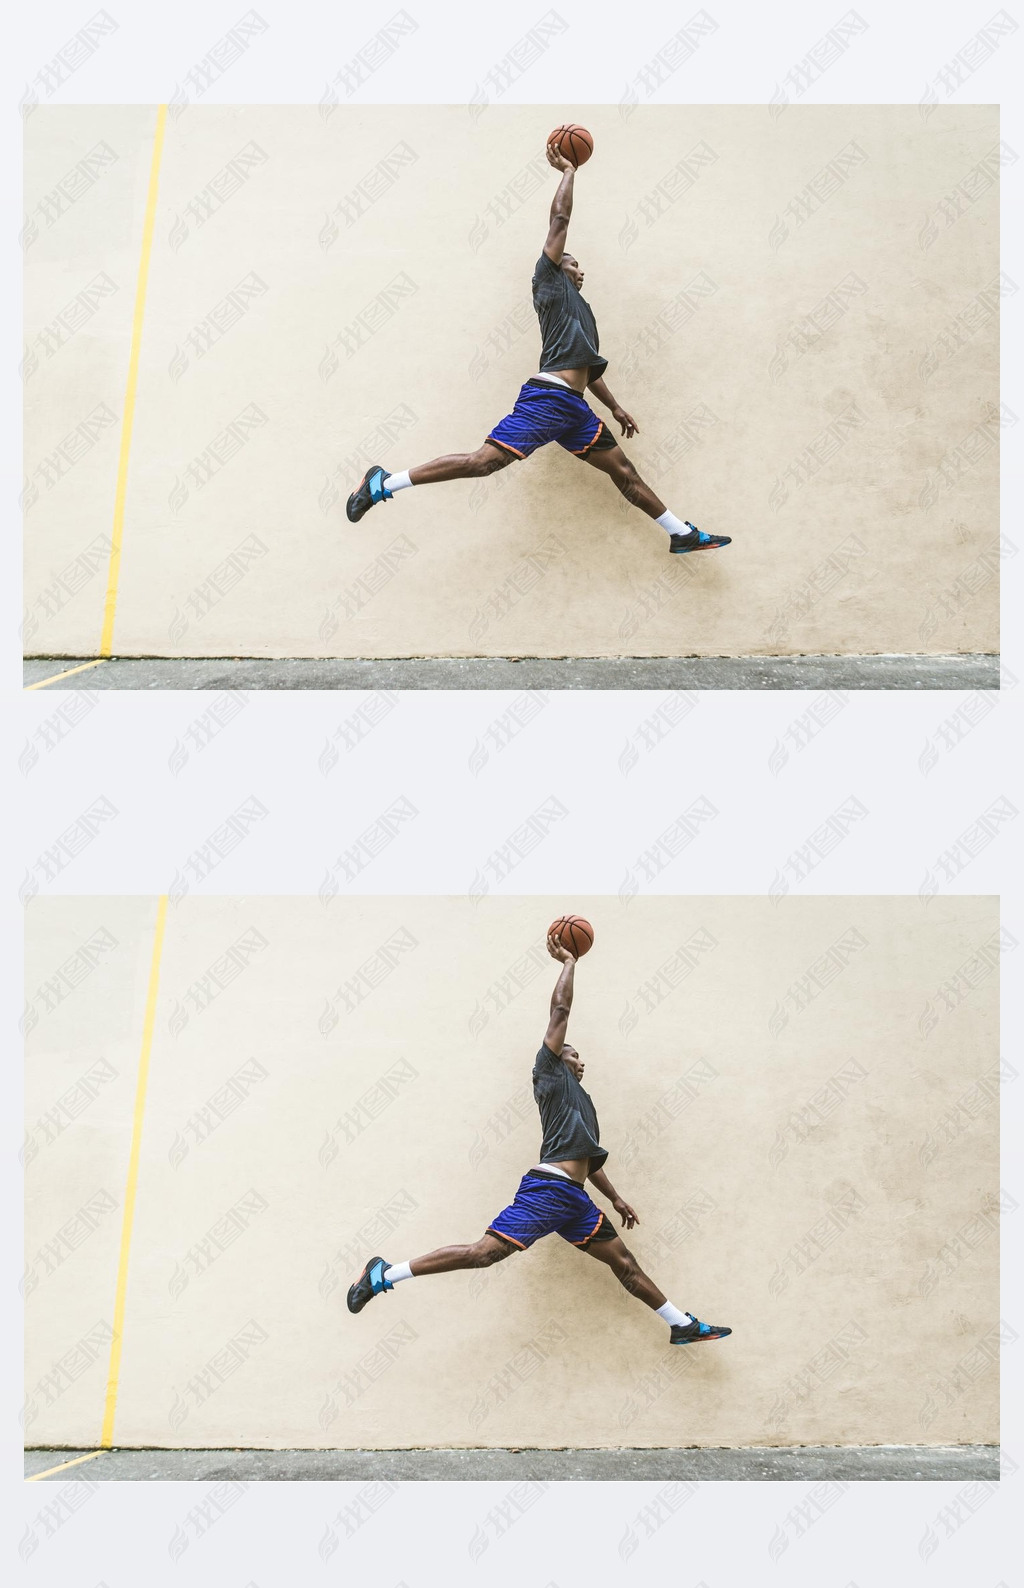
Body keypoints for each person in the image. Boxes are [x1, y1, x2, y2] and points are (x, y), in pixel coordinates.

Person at [346, 139, 731, 556]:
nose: (579, 269)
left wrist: (615, 406)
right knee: (484, 463)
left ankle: (681, 533)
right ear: (556, 265)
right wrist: (569, 172)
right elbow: (560, 220)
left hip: (574, 409)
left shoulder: (583, 312)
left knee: (624, 472)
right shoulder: (547, 284)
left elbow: (586, 367)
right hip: (548, 399)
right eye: (572, 262)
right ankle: (383, 483)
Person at [348, 930, 732, 1345]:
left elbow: (586, 1157)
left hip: (575, 1200)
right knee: (485, 1254)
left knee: (625, 1264)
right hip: (549, 1190)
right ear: (556, 1056)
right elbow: (561, 1010)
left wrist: (615, 1197)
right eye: (573, 1053)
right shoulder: (548, 1075)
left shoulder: (583, 1102)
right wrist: (570, 962)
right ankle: (384, 1274)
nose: (580, 1060)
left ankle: (681, 1325)